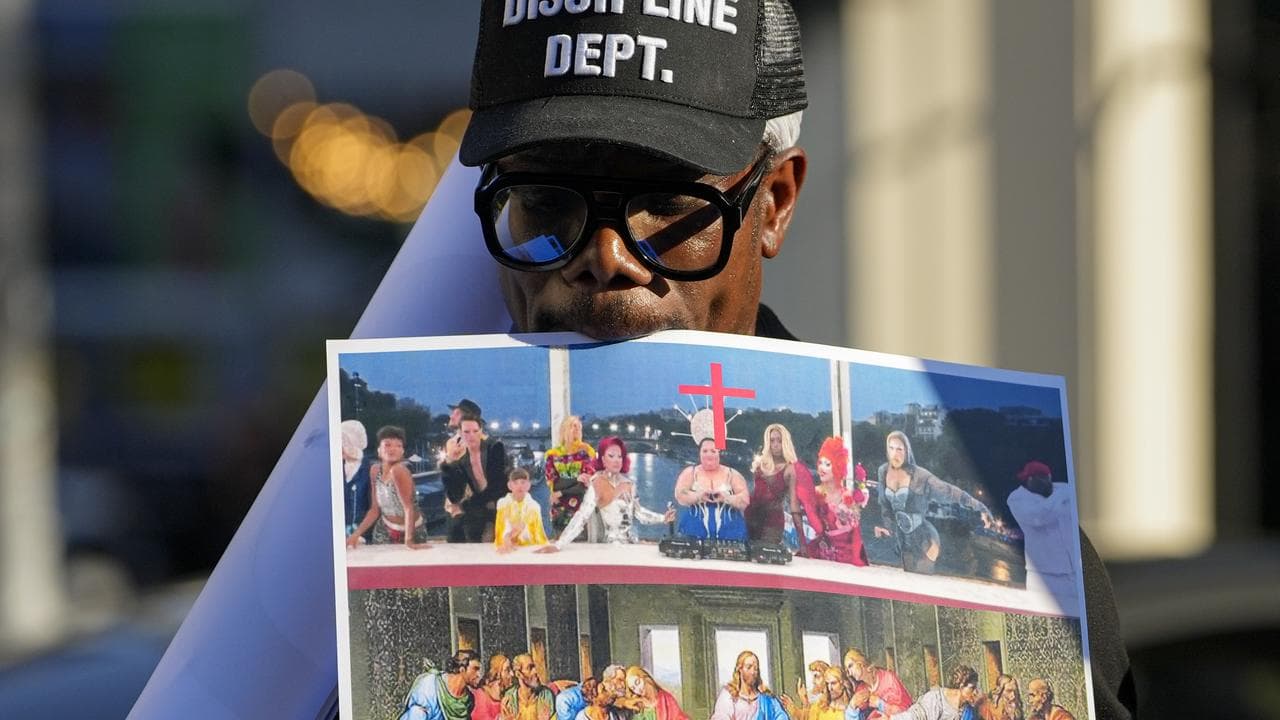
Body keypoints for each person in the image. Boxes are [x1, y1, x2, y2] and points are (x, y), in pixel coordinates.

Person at [130, 4, 1136, 719]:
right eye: (546, 205)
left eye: (665, 205)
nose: (604, 259)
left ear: (774, 201)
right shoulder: (328, 598)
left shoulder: (1020, 555)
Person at [872, 431, 992, 574]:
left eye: (899, 449)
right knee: (909, 580)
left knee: (923, 581)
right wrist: (887, 527)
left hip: (925, 539)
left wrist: (981, 507)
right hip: (903, 539)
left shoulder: (921, 476)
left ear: (907, 451)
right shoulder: (883, 471)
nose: (895, 454)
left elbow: (950, 491)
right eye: (891, 448)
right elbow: (885, 505)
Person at [537, 436, 675, 551]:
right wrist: (559, 545)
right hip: (608, 546)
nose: (616, 460)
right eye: (611, 456)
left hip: (631, 544)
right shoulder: (596, 482)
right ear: (602, 459)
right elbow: (582, 517)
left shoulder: (629, 484)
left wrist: (663, 518)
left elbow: (639, 513)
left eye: (620, 456)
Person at [1006, 461, 1080, 602]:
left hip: (1074, 573)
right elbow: (1039, 517)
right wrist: (1061, 495)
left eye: (1048, 478)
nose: (1047, 483)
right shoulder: (1017, 499)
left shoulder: (1063, 491)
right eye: (1043, 479)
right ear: (1030, 480)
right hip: (1044, 576)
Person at [346, 425, 428, 549]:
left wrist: (409, 540)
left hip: (411, 530)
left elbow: (408, 508)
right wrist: (355, 535)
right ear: (379, 450)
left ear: (402, 452)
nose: (393, 449)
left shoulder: (399, 470)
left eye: (398, 446)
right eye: (387, 445)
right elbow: (374, 510)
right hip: (384, 528)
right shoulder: (374, 470)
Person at [441, 412, 508, 542]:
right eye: (466, 432)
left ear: (481, 431)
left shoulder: (495, 448)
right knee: (459, 531)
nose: (471, 436)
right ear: (460, 433)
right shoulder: (460, 458)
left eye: (475, 431)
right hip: (478, 509)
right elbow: (454, 495)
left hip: (499, 503)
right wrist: (450, 463)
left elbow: (498, 485)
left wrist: (467, 505)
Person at [805, 437, 869, 566]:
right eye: (820, 463)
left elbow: (856, 534)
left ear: (838, 467)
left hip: (847, 560)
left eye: (828, 464)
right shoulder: (815, 493)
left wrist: (856, 559)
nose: (821, 468)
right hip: (822, 559)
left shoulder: (848, 496)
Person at [673, 437, 750, 540]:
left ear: (719, 453)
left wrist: (726, 498)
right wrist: (698, 496)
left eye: (713, 451)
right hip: (693, 532)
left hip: (731, 533)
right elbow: (680, 495)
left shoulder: (733, 474)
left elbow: (745, 501)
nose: (709, 454)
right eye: (705, 451)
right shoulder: (690, 472)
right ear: (699, 453)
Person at [747, 423, 812, 545]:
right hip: (751, 516)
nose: (775, 445)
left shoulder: (790, 469)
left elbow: (794, 505)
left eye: (779, 441)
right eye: (772, 441)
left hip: (773, 521)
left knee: (766, 555)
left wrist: (802, 542)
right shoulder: (761, 464)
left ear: (785, 443)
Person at [544, 415, 598, 537]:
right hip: (559, 507)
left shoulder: (587, 452)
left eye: (579, 427)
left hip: (581, 506)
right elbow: (553, 482)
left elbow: (584, 484)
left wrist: (561, 492)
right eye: (573, 426)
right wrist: (575, 479)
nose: (577, 429)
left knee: (581, 545)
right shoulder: (552, 455)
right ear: (564, 430)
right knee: (560, 542)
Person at [400, 649, 484, 720]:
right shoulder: (430, 685)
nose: (479, 674)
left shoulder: (468, 700)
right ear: (462, 669)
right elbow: (415, 715)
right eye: (475, 669)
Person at [710, 650, 788, 720]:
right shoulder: (728, 695)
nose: (753, 672)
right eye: (749, 667)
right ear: (739, 669)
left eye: (755, 668)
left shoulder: (768, 699)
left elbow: (781, 716)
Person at [888, 665, 981, 720]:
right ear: (961, 686)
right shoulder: (936, 699)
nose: (975, 692)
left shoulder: (968, 709)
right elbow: (915, 715)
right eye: (972, 688)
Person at [494, 467, 549, 552]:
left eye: (523, 483)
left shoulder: (533, 506)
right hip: (506, 543)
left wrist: (520, 530)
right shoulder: (503, 504)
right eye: (515, 483)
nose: (520, 486)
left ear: (528, 485)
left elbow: (537, 532)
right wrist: (508, 537)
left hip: (528, 546)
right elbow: (501, 526)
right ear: (509, 485)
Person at [843, 649, 912, 717]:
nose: (849, 673)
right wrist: (852, 706)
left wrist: (880, 704)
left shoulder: (888, 679)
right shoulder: (861, 689)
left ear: (860, 663)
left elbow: (906, 711)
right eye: (847, 670)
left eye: (850, 666)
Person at [341, 419, 373, 538]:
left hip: (364, 535)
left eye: (344, 442)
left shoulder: (370, 470)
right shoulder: (334, 468)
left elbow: (373, 507)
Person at [500, 654, 556, 720]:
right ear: (518, 674)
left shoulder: (546, 695)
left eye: (534, 667)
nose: (535, 671)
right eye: (530, 668)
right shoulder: (509, 697)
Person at [623, 666, 688, 720]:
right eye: (633, 688)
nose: (638, 689)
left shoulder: (666, 698)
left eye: (637, 682)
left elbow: (679, 717)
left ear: (644, 677)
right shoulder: (638, 706)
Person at [474, 655, 516, 720]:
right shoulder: (480, 695)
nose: (512, 674)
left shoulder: (509, 695)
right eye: (507, 670)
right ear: (497, 674)